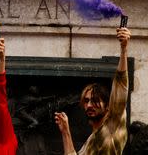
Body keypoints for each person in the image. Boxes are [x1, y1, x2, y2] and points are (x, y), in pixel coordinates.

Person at [54, 26, 131, 155]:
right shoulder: (90, 141)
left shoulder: (113, 124)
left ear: (107, 106)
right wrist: (65, 131)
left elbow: (120, 83)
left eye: (95, 100)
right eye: (86, 100)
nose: (89, 105)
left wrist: (124, 49)